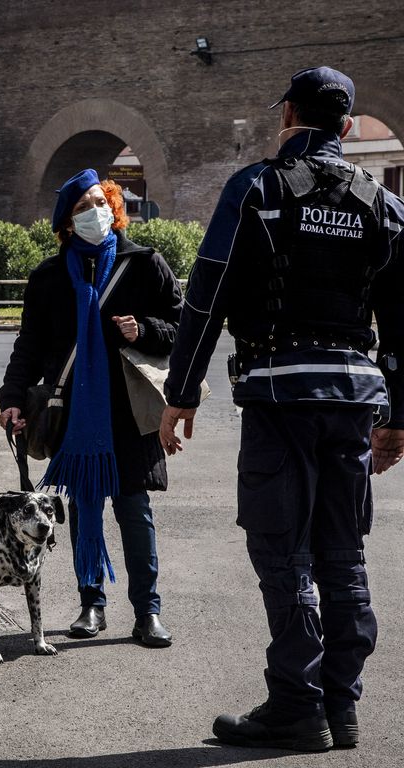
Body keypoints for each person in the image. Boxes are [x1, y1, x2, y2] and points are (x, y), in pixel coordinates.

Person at [160, 66, 404, 751]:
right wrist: (398, 415)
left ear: (288, 115)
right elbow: (402, 323)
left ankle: (298, 706)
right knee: (342, 552)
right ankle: (341, 706)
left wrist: (180, 394)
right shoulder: (382, 206)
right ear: (348, 128)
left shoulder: (256, 190)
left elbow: (206, 296)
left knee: (283, 548)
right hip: (354, 402)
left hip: (279, 396)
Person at [0, 169, 183, 647]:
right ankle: (91, 604)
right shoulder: (49, 277)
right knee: (82, 508)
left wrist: (144, 330)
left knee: (134, 509)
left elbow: (183, 328)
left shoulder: (144, 264)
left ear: (114, 206)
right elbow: (30, 345)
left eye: (100, 202)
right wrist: (12, 399)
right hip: (74, 412)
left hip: (131, 412)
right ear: (66, 223)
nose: (95, 212)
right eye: (82, 208)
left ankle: (148, 612)